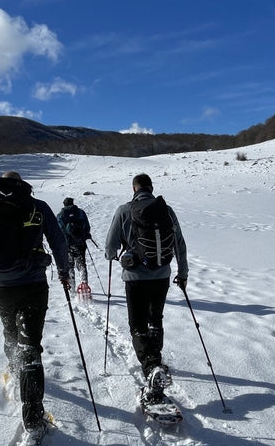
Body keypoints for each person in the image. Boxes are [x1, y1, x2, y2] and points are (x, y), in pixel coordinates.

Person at [0, 171, 71, 436]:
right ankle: (32, 415)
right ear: (23, 187)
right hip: (32, 284)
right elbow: (58, 241)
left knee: (9, 327)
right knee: (30, 344)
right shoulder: (37, 206)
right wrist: (64, 271)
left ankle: (14, 363)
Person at [105, 173, 188, 405]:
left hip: (135, 278)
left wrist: (113, 255)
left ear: (134, 189)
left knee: (138, 325)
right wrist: (183, 273)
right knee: (155, 319)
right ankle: (156, 361)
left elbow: (110, 246)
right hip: (161, 276)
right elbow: (179, 243)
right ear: (151, 188)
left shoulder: (124, 210)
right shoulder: (166, 210)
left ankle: (151, 368)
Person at [57, 197, 92, 289]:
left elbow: (59, 231)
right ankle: (84, 286)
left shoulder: (60, 215)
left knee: (70, 266)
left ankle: (72, 288)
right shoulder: (80, 212)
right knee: (81, 264)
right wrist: (84, 235)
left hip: (67, 245)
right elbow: (87, 227)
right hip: (80, 243)